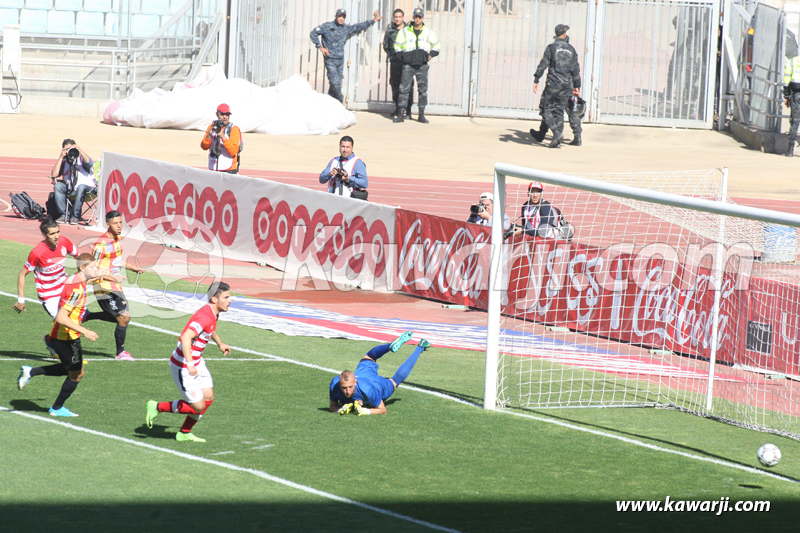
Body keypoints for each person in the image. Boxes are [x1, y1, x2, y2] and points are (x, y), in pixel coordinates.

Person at [145, 282, 232, 442]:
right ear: (214, 299)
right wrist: (190, 364)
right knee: (197, 406)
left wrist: (220, 343)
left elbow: (210, 329)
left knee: (208, 397)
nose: (229, 300)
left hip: (196, 361)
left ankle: (184, 432)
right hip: (183, 365)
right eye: (226, 297)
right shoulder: (205, 315)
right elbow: (186, 337)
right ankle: (157, 407)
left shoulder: (213, 313)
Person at [17, 253, 101, 417]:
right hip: (66, 338)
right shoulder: (76, 289)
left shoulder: (77, 280)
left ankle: (31, 372)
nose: (96, 269)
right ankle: (56, 408)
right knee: (77, 374)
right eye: (93, 267)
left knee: (70, 369)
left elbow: (89, 281)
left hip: (62, 336)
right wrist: (85, 330)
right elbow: (61, 317)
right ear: (83, 267)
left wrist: (106, 276)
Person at [83, 210, 144, 361]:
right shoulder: (101, 243)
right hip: (103, 286)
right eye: (115, 223)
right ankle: (120, 353)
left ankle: (88, 315)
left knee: (122, 317)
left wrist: (132, 268)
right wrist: (110, 276)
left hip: (114, 284)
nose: (119, 225)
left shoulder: (116, 239)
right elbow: (93, 266)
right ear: (108, 224)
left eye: (120, 222)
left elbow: (116, 260)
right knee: (123, 318)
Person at [13, 218, 79, 355]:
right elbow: (22, 274)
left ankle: (51, 340)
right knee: (65, 323)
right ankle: (66, 353)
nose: (56, 236)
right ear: (44, 235)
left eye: (58, 232)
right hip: (49, 296)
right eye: (52, 234)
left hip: (65, 288)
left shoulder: (64, 242)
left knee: (76, 319)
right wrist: (21, 299)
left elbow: (80, 256)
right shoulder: (37, 252)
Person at [329, 331, 431, 416]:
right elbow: (333, 406)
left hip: (377, 384)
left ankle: (420, 347)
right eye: (344, 388)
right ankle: (389, 346)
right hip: (363, 373)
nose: (347, 391)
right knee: (369, 357)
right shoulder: (334, 384)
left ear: (355, 382)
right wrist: (340, 410)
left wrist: (365, 411)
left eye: (350, 387)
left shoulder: (369, 390)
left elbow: (383, 410)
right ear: (339, 384)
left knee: (395, 381)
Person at [310, 8, 382, 103]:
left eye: (343, 17)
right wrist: (320, 47)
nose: (341, 19)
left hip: (340, 60)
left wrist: (373, 20)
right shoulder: (327, 26)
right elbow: (313, 33)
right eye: (340, 16)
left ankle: (330, 105)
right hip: (330, 59)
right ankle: (340, 100)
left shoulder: (345, 28)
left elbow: (359, 27)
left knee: (336, 84)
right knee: (334, 83)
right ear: (336, 16)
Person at [531, 24, 581, 148]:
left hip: (553, 84)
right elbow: (575, 69)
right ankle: (556, 139)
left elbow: (543, 64)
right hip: (567, 85)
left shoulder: (551, 48)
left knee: (546, 109)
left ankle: (557, 134)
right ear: (563, 34)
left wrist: (537, 78)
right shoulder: (571, 49)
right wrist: (577, 85)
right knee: (559, 111)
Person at [392, 8, 440, 123]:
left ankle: (421, 114)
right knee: (404, 90)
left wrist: (430, 55)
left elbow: (437, 46)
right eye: (416, 17)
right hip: (408, 66)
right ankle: (401, 114)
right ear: (413, 17)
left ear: (423, 18)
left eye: (420, 17)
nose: (417, 19)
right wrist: (402, 57)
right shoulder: (404, 31)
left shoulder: (428, 32)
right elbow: (397, 46)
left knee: (422, 91)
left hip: (422, 66)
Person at [49, 139, 96, 224]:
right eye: (67, 149)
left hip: (89, 189)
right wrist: (61, 157)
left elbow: (90, 164)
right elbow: (54, 174)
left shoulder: (81, 158)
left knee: (81, 187)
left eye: (71, 149)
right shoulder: (64, 161)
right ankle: (63, 214)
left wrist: (79, 150)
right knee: (58, 186)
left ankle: (75, 216)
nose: (70, 152)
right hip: (72, 189)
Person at [383, 8, 413, 119]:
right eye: (396, 17)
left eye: (400, 17)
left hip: (407, 62)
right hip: (395, 62)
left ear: (403, 17)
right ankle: (397, 108)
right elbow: (385, 45)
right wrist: (392, 55)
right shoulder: (390, 31)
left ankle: (408, 110)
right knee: (395, 85)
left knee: (408, 86)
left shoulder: (409, 30)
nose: (398, 19)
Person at [201, 103, 242, 173]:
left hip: (229, 169)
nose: (225, 117)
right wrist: (209, 135)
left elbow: (233, 151)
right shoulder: (212, 127)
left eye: (227, 115)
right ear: (217, 114)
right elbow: (204, 147)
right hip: (214, 168)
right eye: (222, 114)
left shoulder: (233, 129)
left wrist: (223, 137)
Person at [784, 51, 800, 157]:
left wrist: (786, 96)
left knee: (795, 121)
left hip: (796, 94)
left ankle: (790, 150)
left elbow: (786, 80)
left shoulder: (792, 61)